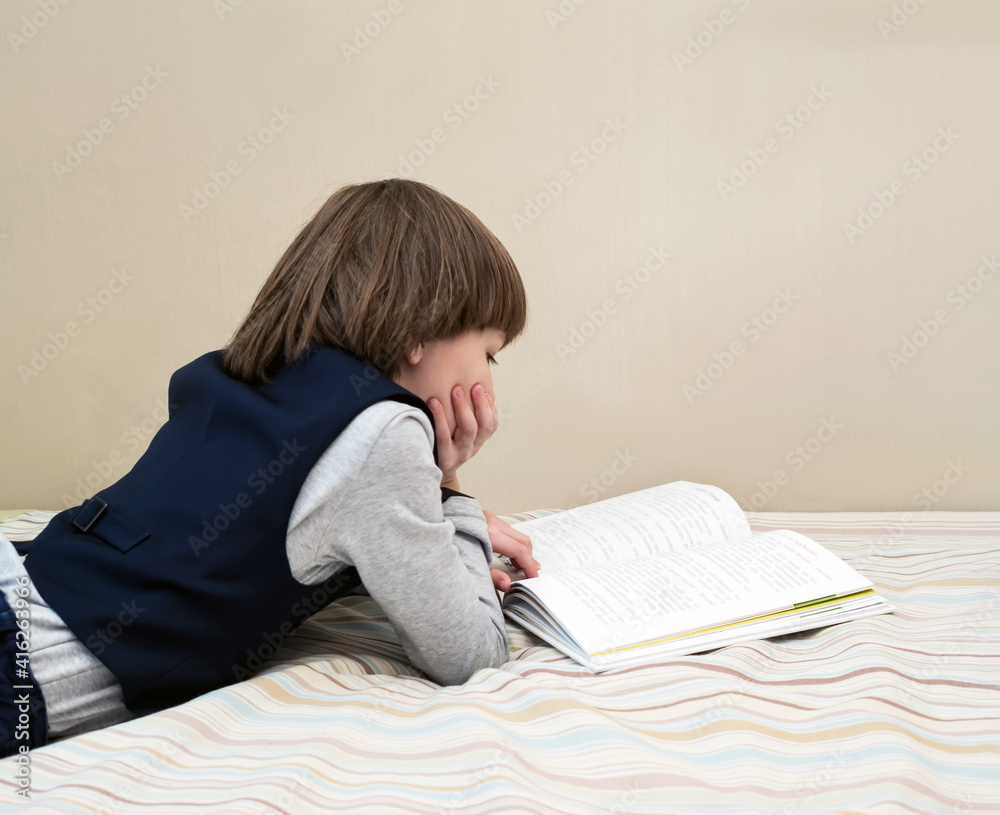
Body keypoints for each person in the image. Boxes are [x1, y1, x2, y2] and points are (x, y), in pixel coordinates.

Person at [0, 178, 539, 758]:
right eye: (488, 352)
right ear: (420, 330)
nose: (487, 377)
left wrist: (425, 512)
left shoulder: (242, 379)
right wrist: (449, 486)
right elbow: (470, 655)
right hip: (23, 666)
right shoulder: (388, 432)